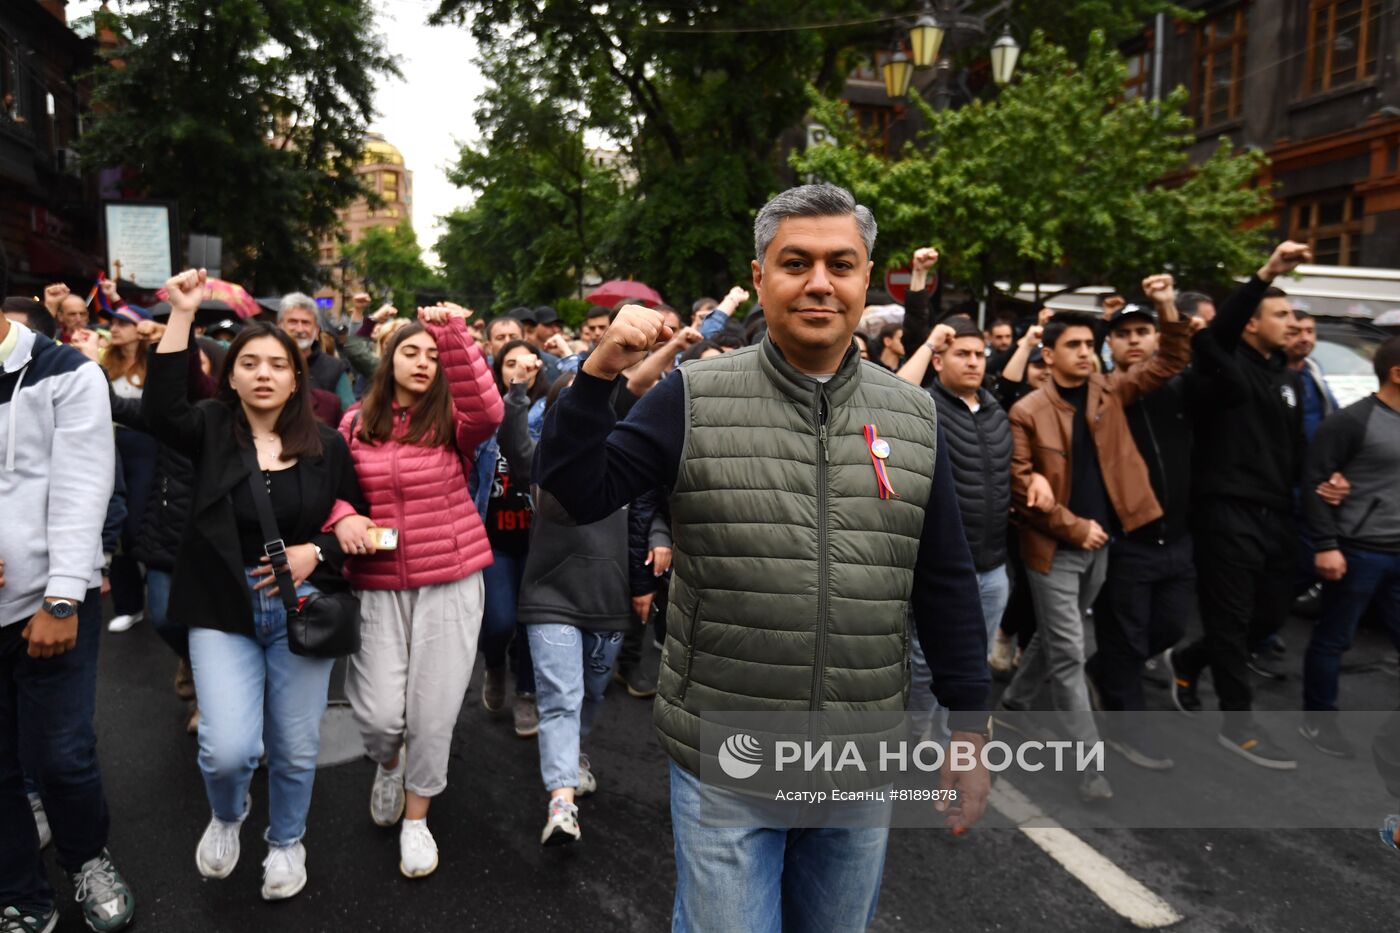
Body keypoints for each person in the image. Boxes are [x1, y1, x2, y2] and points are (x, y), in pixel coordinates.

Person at [537, 184, 991, 931]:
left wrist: (970, 729)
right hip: (728, 762)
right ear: (760, 277)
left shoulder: (912, 414)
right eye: (796, 262)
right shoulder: (693, 396)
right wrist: (599, 370)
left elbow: (943, 576)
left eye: (840, 263)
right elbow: (576, 493)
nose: (819, 281)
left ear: (866, 278)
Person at [145, 268, 367, 901]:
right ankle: (227, 814)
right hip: (222, 606)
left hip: (301, 606)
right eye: (250, 362)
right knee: (227, 749)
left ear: (299, 377)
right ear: (231, 375)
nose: (264, 372)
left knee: (295, 749)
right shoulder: (211, 429)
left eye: (278, 363)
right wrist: (183, 315)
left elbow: (354, 521)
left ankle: (286, 841)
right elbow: (161, 408)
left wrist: (313, 550)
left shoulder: (327, 444)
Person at [999, 277, 1189, 802]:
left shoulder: (1110, 391)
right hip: (1052, 549)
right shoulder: (1027, 411)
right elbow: (1021, 488)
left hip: (1101, 545)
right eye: (1074, 346)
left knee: (1057, 638)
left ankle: (1013, 706)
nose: (1086, 354)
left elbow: (1171, 360)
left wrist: (1167, 305)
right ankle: (1088, 764)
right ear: (1049, 352)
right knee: (1069, 652)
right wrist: (1073, 526)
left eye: (1090, 345)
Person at [332, 304, 502, 878]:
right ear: (387, 358)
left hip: (451, 579)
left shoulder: (455, 419)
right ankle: (388, 764)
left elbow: (489, 408)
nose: (424, 362)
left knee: (433, 714)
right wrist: (340, 516)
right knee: (380, 715)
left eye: (432, 356)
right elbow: (333, 487)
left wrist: (451, 334)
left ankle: (417, 819)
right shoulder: (354, 423)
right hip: (377, 582)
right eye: (412, 351)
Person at [0, 303, 136, 932]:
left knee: (61, 755)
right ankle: (21, 892)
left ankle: (86, 856)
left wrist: (61, 598)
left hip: (51, 608)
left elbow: (85, 487)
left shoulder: (67, 371)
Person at [1164, 242, 1313, 769]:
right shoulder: (1221, 369)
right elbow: (1217, 335)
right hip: (1225, 513)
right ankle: (1238, 723)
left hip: (1277, 516)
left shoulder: (1289, 380)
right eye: (1281, 315)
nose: (1293, 324)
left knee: (1268, 615)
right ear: (1251, 322)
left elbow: (1299, 457)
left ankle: (1189, 658)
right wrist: (1267, 272)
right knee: (1229, 620)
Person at [505, 371, 635, 845]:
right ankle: (562, 803)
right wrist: (518, 395)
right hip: (550, 598)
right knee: (561, 699)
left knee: (592, 694)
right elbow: (514, 441)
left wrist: (645, 580)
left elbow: (647, 517)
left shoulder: (627, 462)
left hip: (609, 603)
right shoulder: (544, 460)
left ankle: (576, 755)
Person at [1084, 300, 1211, 769]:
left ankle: (1101, 672)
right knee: (1126, 639)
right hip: (1130, 543)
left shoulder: (1179, 388)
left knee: (1170, 628)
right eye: (1124, 333)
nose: (1134, 339)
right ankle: (1126, 729)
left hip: (1178, 539)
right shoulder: (1107, 391)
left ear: (1157, 338)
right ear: (1110, 344)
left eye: (1144, 330)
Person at [1299, 336, 1400, 757]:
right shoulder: (1352, 421)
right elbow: (1315, 483)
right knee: (1334, 640)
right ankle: (1318, 722)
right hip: (1359, 551)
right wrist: (1326, 544)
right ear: (1397, 374)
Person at [480, 340, 547, 737]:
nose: (519, 370)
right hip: (493, 541)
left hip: (538, 542)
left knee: (531, 625)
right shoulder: (485, 417)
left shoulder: (549, 413)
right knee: (499, 623)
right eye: (510, 364)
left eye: (527, 365)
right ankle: (493, 665)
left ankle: (526, 693)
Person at [278, 293, 354, 410]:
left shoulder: (335, 369)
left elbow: (349, 417)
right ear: (280, 326)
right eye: (293, 322)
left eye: (306, 323)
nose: (299, 329)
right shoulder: (265, 364)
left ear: (317, 330)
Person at [1285, 308, 1338, 442]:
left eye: (1310, 331)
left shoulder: (1313, 368)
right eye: (1295, 332)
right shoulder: (1270, 374)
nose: (1305, 338)